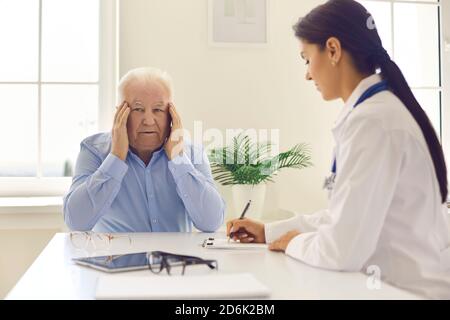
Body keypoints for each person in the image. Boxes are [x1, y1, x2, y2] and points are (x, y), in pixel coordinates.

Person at [227, 0, 450, 299]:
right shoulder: (371, 115)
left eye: (306, 58)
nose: (307, 74)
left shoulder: (374, 122)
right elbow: (342, 216)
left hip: (405, 292)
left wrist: (293, 242)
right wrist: (269, 231)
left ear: (332, 50)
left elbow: (341, 250)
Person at [63, 67, 225, 233]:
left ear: (171, 115)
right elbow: (76, 221)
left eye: (158, 110)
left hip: (175, 259)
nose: (148, 120)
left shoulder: (192, 153)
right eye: (138, 109)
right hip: (117, 259)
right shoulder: (94, 151)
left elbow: (211, 222)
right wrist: (116, 158)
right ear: (120, 113)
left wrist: (179, 160)